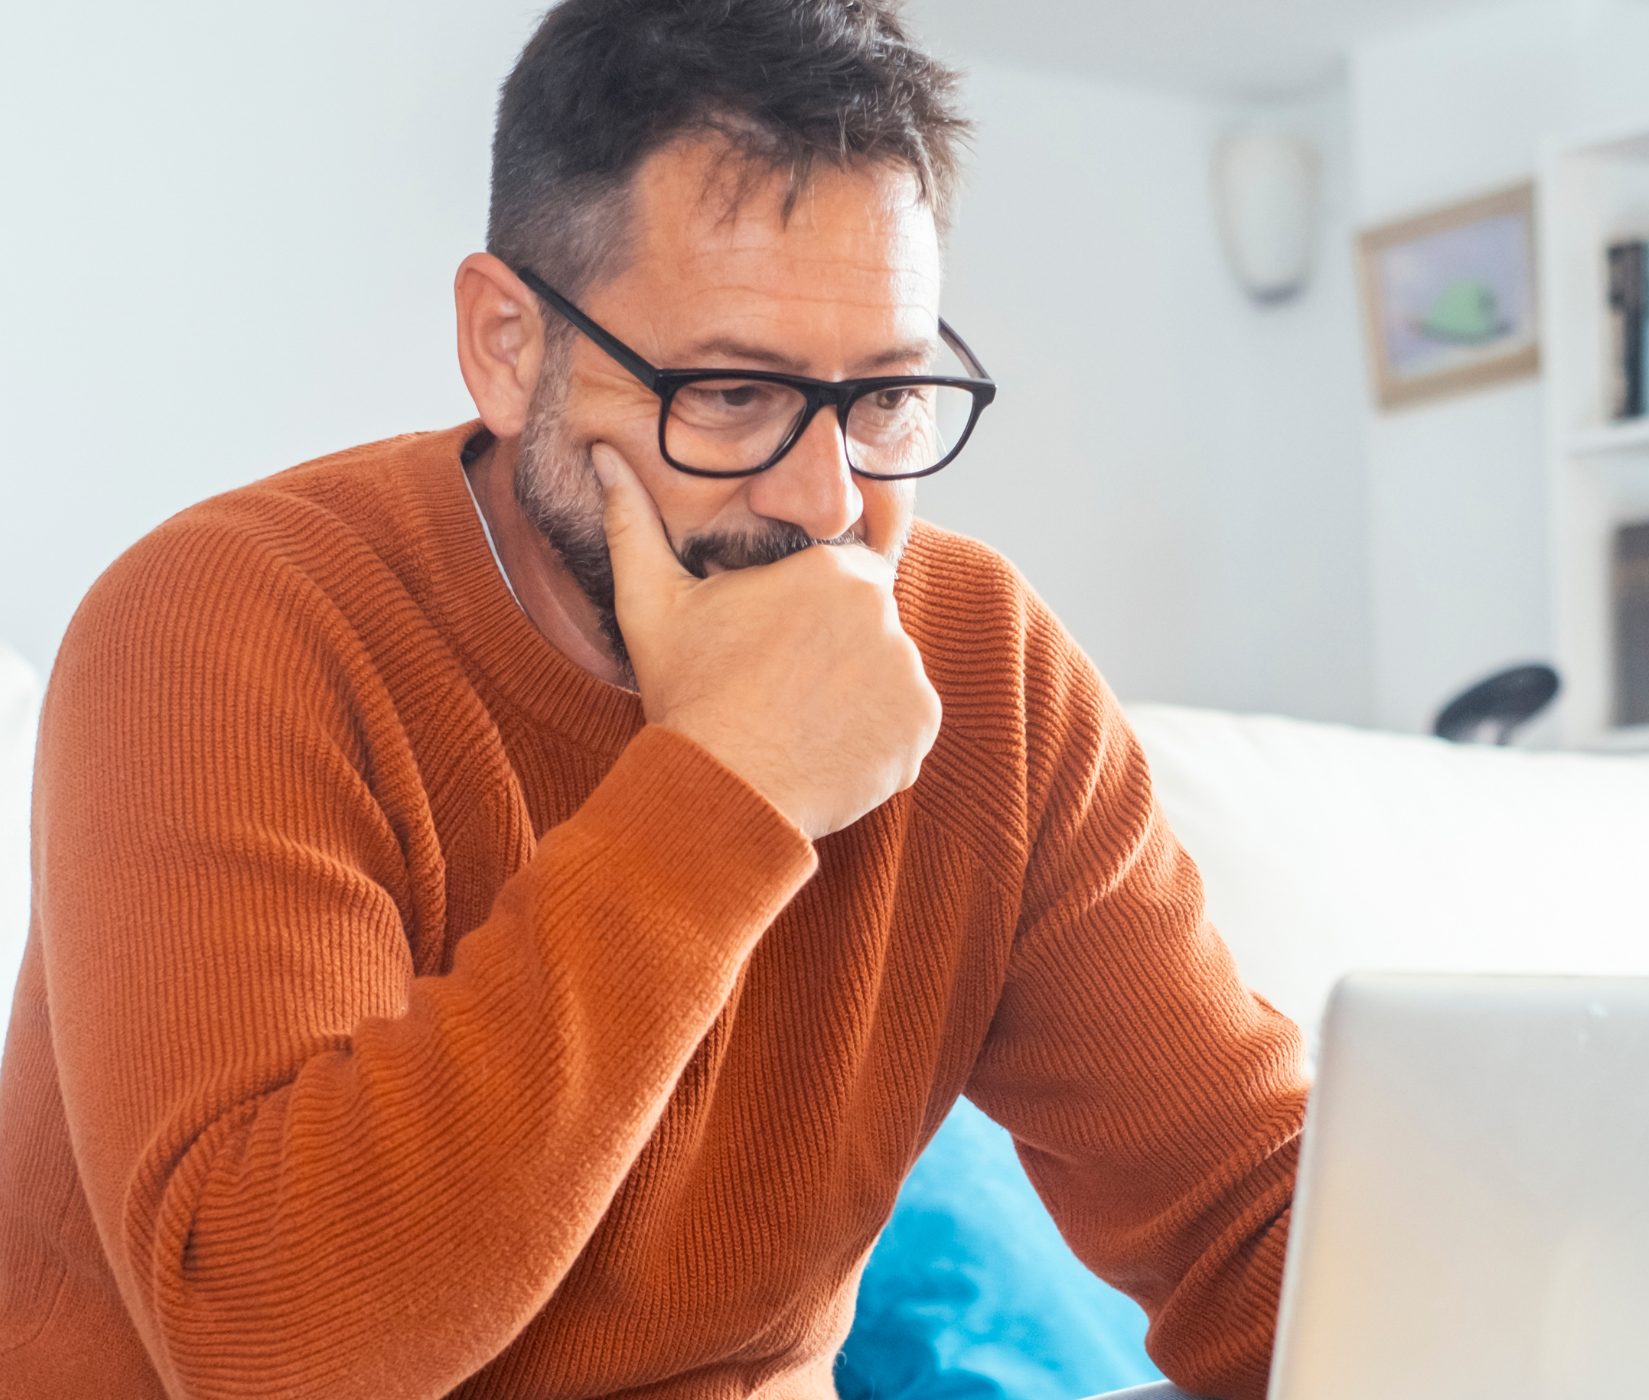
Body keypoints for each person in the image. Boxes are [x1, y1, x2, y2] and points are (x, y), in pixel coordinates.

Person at [0, 2, 1306, 1397]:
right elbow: (271, 1348)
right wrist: (733, 781)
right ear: (507, 344)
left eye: (885, 402)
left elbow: (1249, 1219)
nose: (827, 506)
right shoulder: (228, 624)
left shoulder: (981, 658)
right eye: (733, 394)